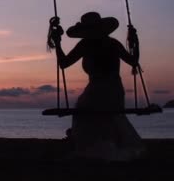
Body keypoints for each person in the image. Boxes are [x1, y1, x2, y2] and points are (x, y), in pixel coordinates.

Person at [49, 12, 145, 161]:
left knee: (83, 114)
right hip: (115, 90)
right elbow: (133, 61)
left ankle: (95, 147)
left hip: (97, 91)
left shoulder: (85, 45)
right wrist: (135, 42)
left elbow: (64, 63)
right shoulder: (112, 43)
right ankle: (107, 145)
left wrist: (58, 43)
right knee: (108, 117)